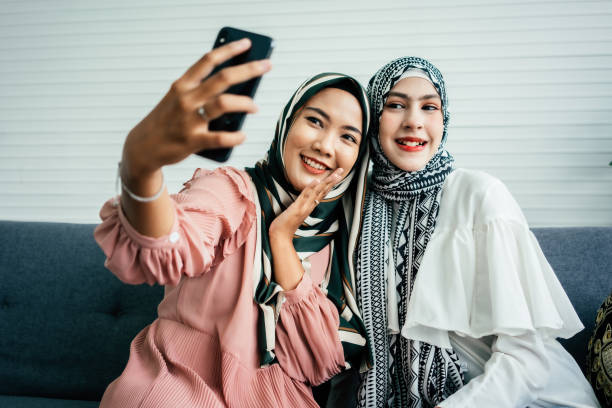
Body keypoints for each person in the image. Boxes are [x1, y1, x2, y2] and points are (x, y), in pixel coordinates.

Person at [93, 38, 371, 407]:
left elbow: (315, 361)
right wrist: (141, 170)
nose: (324, 144)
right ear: (287, 124)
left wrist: (282, 238)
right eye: (315, 121)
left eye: (347, 136)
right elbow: (170, 243)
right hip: (182, 383)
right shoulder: (232, 190)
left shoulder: (343, 243)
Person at [356, 56, 601, 407]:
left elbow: (526, 362)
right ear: (374, 119)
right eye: (395, 105)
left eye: (429, 107)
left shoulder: (480, 195)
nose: (414, 121)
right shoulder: (361, 211)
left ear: (445, 119)